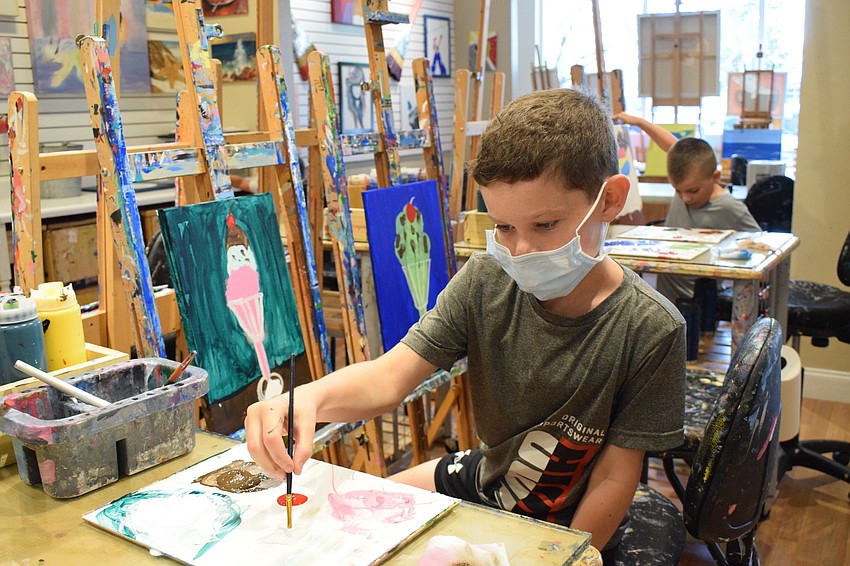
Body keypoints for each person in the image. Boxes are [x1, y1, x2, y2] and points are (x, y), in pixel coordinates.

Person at [245, 89, 686, 555]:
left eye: (544, 226)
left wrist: (565, 555)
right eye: (503, 227)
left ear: (609, 200)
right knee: (361, 518)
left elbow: (615, 477)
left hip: (566, 511)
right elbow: (391, 376)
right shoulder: (487, 279)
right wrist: (308, 398)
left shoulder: (649, 329)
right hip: (491, 477)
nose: (519, 251)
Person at [616, 112, 761, 303]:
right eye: (677, 190)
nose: (685, 198)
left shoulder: (730, 207)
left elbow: (759, 245)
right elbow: (676, 148)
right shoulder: (688, 180)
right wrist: (640, 123)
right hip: (666, 297)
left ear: (715, 177)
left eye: (693, 191)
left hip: (701, 300)